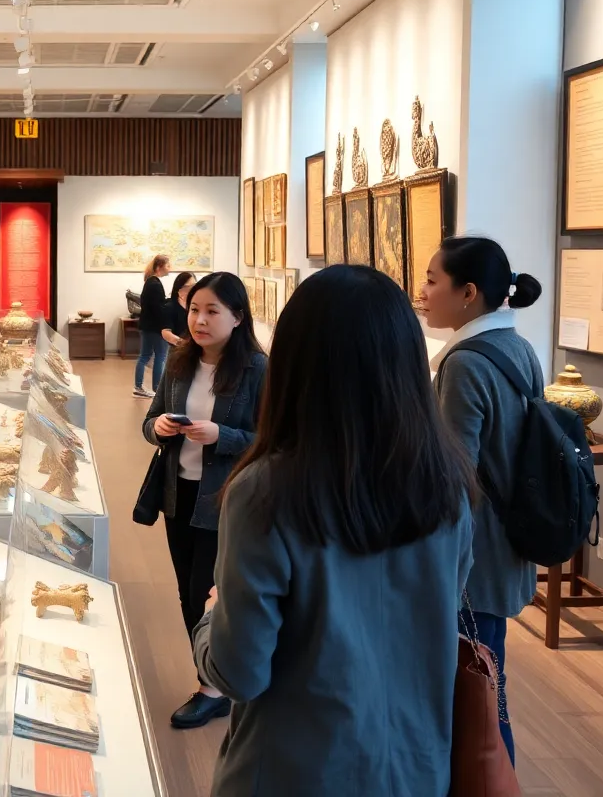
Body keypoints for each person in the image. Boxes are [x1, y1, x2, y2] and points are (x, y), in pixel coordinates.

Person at [194, 265, 475, 796]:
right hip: (415, 769)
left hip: (294, 773)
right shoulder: (447, 485)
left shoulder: (265, 490)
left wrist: (211, 618)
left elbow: (238, 673)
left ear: (295, 362)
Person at [421, 235, 544, 766]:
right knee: (488, 691)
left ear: (468, 293)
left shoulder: (466, 363)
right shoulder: (518, 347)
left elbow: (453, 477)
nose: (423, 291)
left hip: (473, 559)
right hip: (506, 545)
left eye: (432, 280)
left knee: (478, 702)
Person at [141, 272, 266, 729]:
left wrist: (223, 435)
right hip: (179, 492)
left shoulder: (257, 368)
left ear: (238, 317)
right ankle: (211, 676)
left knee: (208, 590)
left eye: (213, 311)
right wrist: (158, 429)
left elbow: (273, 441)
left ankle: (214, 689)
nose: (199, 320)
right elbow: (150, 420)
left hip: (225, 498)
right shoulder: (180, 360)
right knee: (185, 590)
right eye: (194, 309)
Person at [135, 254, 171, 398]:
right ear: (159, 267)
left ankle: (138, 386)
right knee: (160, 356)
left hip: (147, 326)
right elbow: (158, 309)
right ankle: (157, 390)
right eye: (168, 265)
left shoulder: (151, 282)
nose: (170, 268)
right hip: (155, 327)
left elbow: (155, 305)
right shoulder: (155, 284)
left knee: (144, 356)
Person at [161, 271, 196, 346]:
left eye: (194, 286)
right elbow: (166, 332)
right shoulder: (170, 307)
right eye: (186, 287)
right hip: (179, 349)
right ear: (178, 290)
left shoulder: (198, 305)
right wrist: (182, 343)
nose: (191, 290)